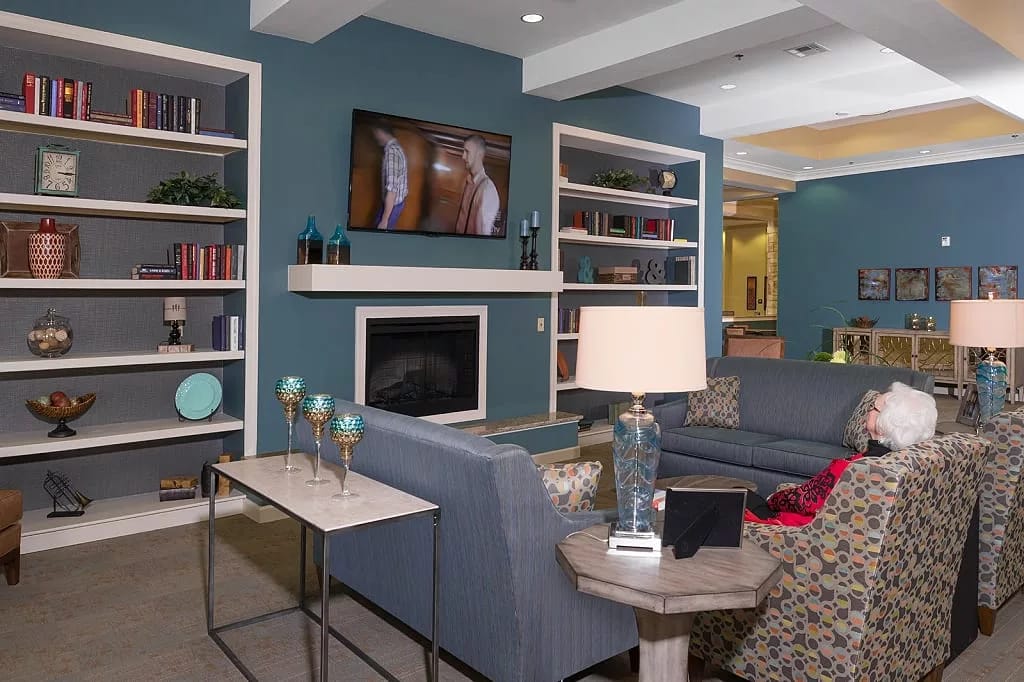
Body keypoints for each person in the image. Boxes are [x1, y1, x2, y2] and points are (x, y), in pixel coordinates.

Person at [745, 381, 938, 526]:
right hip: (842, 533)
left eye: (874, 408)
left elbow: (803, 501)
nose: (869, 411)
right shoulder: (907, 464)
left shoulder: (853, 469)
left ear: (885, 420)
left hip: (794, 532)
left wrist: (774, 498)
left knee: (738, 496)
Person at [454, 134, 500, 236]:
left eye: (467, 152)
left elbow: (484, 232)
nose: (463, 156)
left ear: (479, 154)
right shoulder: (467, 181)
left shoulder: (488, 189)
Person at [371, 122, 408, 231]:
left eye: (376, 133)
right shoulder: (397, 148)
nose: (375, 137)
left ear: (381, 132)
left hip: (392, 205)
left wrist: (384, 220)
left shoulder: (392, 152)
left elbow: (392, 190)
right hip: (394, 204)